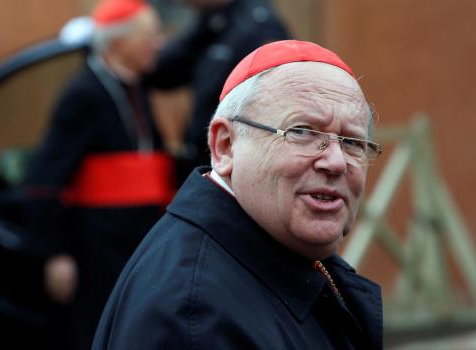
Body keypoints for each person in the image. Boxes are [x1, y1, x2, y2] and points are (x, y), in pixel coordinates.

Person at [93, 40, 384, 349]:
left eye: (352, 142)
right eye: (302, 132)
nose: (336, 162)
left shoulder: (283, 243)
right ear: (225, 146)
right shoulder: (194, 319)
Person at [22, 0, 173, 348]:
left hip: (137, 239)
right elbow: (45, 181)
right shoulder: (82, 94)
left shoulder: (136, 86)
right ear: (118, 44)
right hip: (97, 249)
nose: (159, 43)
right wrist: (55, 253)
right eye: (149, 36)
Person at [148, 0, 289, 183]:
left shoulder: (258, 24)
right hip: (206, 156)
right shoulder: (212, 21)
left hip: (237, 160)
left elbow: (275, 98)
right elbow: (164, 72)